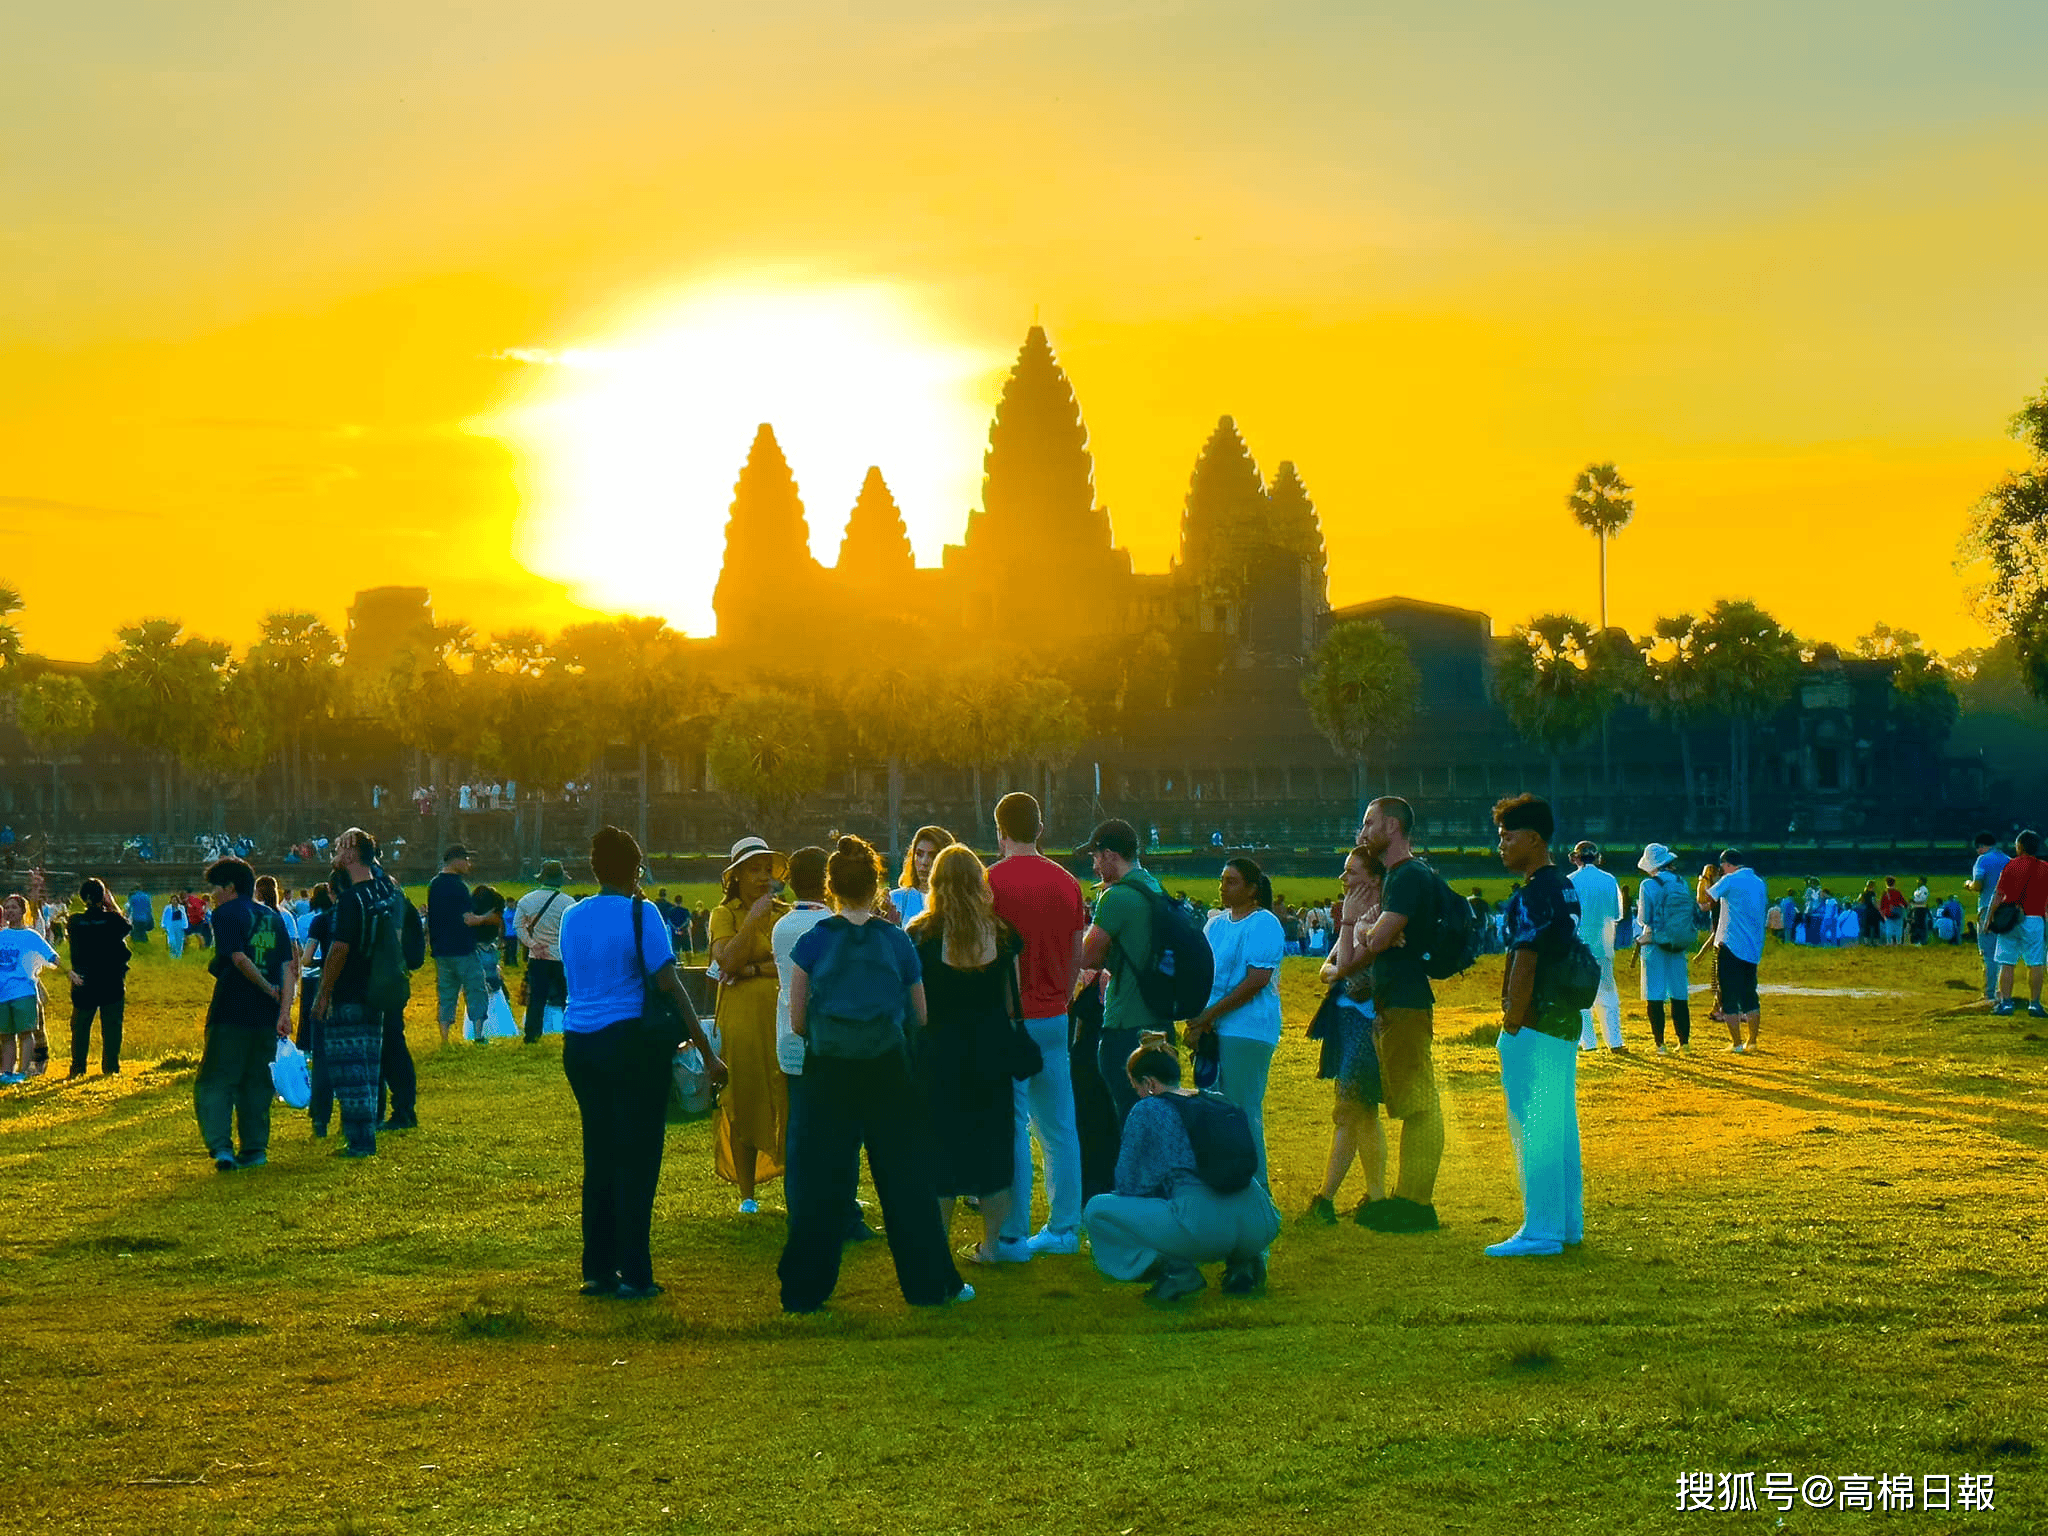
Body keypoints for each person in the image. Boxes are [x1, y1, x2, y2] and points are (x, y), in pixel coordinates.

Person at [779, 834, 972, 1313]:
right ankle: (929, 1284)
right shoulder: (896, 941)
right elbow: (920, 1014)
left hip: (829, 1072)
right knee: (905, 1180)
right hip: (887, 1070)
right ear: (876, 884)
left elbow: (799, 1020)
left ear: (831, 888)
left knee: (823, 1181)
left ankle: (805, 1288)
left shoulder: (813, 942)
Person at [558, 825, 726, 1301]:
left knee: (602, 1155)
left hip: (580, 1043)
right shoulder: (643, 912)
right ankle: (635, 1271)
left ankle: (597, 1267)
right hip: (629, 1042)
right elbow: (669, 985)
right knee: (639, 1158)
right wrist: (707, 1052)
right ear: (636, 870)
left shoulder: (573, 915)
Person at [1080, 1034, 1282, 1301]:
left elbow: (1129, 1183)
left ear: (1149, 1083)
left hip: (1204, 1226)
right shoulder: (1219, 1099)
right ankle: (1245, 1263)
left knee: (1097, 1210)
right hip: (1261, 1220)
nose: (1138, 1094)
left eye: (1136, 1087)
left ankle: (1177, 1272)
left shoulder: (1149, 1109)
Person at [909, 844, 1027, 1264]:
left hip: (939, 1053)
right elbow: (1012, 1004)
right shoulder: (1003, 933)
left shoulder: (920, 936)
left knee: (938, 1147)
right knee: (993, 1145)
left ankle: (937, 1246)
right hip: (990, 1051)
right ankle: (992, 1245)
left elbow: (916, 1006)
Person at [987, 792, 1089, 1257]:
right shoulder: (1068, 883)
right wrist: (1063, 996)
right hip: (1053, 1010)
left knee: (1011, 1126)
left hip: (1009, 1017)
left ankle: (1011, 1231)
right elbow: (1075, 954)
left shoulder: (991, 882)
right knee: (1058, 1126)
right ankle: (1065, 1227)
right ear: (1040, 829)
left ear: (1000, 830)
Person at [1340, 797, 1444, 1234]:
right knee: (1415, 1101)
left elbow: (1378, 940)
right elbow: (1363, 951)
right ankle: (1410, 1198)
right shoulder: (1404, 876)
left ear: (1394, 826)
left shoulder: (1405, 876)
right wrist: (1364, 927)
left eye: (1369, 822)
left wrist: (1366, 929)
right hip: (1396, 1003)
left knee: (1418, 1104)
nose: (1362, 831)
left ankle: (1415, 1203)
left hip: (1404, 1003)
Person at [1490, 794, 1585, 1258]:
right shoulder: (1565, 886)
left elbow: (1524, 960)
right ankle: (1566, 1224)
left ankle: (1541, 1230)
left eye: (1508, 837)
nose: (1501, 846)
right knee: (1561, 1126)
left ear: (1533, 838)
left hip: (1535, 1022)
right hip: (1564, 1020)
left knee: (1535, 1127)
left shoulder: (1532, 894)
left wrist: (1511, 1023)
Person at [771, 847, 874, 1245]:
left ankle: (802, 1208)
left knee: (800, 1130)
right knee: (844, 1133)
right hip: (833, 1042)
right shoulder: (832, 926)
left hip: (790, 1038)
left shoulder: (784, 926)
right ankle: (845, 1213)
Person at [1303, 846, 1387, 1223]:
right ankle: (1374, 1197)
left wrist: (1350, 926)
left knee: (1351, 1112)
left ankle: (1328, 1199)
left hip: (1365, 1025)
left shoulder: (1378, 919)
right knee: (1359, 1113)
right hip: (1347, 1024)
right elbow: (1328, 967)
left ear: (1372, 880)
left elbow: (1348, 965)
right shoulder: (1355, 918)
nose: (1343, 880)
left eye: (1351, 873)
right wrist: (1339, 969)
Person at [194, 857, 295, 1171]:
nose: (212, 895)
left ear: (230, 887)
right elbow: (289, 967)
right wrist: (284, 1010)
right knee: (257, 1083)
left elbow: (237, 957)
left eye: (215, 888)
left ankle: (222, 1148)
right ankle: (254, 1149)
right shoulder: (273, 917)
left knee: (217, 1080)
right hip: (267, 1016)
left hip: (231, 1009)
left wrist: (265, 987)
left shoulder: (226, 913)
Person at [1188, 857, 1284, 1185]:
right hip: (1215, 1027)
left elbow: (1256, 979)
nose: (1222, 887)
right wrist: (1198, 1021)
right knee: (1217, 1109)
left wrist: (1208, 1017)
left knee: (1242, 1111)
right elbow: (1202, 974)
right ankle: (1227, 1186)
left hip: (1248, 1029)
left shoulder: (1264, 923)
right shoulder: (1215, 924)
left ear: (1252, 889)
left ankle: (1258, 1192)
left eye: (1231, 881)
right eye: (1222, 880)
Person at [708, 835, 791, 1213]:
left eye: (766, 869)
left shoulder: (786, 913)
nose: (762, 877)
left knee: (786, 1095)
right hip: (741, 1016)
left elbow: (790, 963)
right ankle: (747, 1195)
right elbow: (726, 964)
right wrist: (753, 923)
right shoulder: (724, 915)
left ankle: (795, 1184)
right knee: (744, 1096)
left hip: (779, 1012)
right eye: (753, 869)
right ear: (736, 876)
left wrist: (755, 967)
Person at [309, 829, 404, 1157]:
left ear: (350, 854)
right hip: (378, 990)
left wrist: (323, 995)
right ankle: (367, 1132)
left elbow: (339, 951)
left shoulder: (351, 899)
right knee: (369, 1064)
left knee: (349, 1071)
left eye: (338, 847)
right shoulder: (385, 889)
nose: (334, 853)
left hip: (348, 993)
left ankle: (361, 1141)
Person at [1076, 818, 1175, 1128]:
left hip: (1125, 1022)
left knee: (1129, 1121)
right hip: (1159, 1018)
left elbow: (1086, 956)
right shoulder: (1154, 887)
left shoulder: (1115, 897)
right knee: (1159, 1117)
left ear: (1109, 855)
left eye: (1095, 856)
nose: (1094, 865)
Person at [1698, 850, 1768, 1052]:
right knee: (1750, 995)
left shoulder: (1731, 880)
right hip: (1752, 946)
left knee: (1729, 996)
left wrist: (1704, 878)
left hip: (1730, 944)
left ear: (1726, 864)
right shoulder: (1758, 882)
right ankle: (1752, 1041)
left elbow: (1704, 901)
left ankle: (1737, 1043)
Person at [64, 878, 131, 1078]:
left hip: (84, 979)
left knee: (81, 1027)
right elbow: (126, 927)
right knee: (112, 1026)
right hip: (111, 980)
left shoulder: (75, 921)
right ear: (103, 897)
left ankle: (77, 1068)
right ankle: (111, 1067)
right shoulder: (112, 921)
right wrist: (112, 905)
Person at [427, 844, 493, 1046]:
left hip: (441, 950)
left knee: (447, 994)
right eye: (466, 859)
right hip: (463, 949)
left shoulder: (434, 884)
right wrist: (486, 918)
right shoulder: (459, 887)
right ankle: (479, 1035)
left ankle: (445, 1038)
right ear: (455, 860)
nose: (468, 864)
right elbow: (468, 920)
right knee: (476, 990)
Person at [1632, 844, 1693, 1054]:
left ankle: (1660, 1044)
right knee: (1679, 993)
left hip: (1655, 942)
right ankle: (1683, 1042)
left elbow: (1644, 918)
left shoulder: (1648, 884)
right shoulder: (1681, 882)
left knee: (1654, 993)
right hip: (1678, 942)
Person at [1567, 842, 1625, 1053]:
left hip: (1579, 946)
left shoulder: (1570, 881)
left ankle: (1588, 1043)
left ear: (1576, 858)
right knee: (1608, 995)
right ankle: (1615, 1042)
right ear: (1597, 857)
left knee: (1581, 997)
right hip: (1604, 943)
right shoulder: (1609, 879)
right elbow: (1618, 913)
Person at [0, 895, 58, 1085]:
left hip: (23, 992)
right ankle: (7, 1071)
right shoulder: (1, 935)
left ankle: (23, 1071)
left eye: (13, 908)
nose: (9, 911)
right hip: (2, 993)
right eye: (6, 908)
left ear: (23, 911)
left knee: (26, 1032)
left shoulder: (31, 935)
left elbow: (51, 956)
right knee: (6, 1035)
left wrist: (69, 972)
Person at [1989, 830, 2048, 1017]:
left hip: (2011, 919)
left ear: (2020, 846)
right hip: (2034, 918)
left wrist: (1989, 918)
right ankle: (2035, 1004)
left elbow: (1998, 895)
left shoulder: (2011, 865)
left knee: (2006, 962)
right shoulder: (2045, 868)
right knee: (2035, 963)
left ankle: (2006, 1003)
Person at [513, 860, 572, 1044]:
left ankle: (532, 1035)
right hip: (560, 957)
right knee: (566, 999)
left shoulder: (527, 900)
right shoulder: (568, 903)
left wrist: (532, 944)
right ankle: (570, 1033)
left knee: (537, 998)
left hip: (537, 957)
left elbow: (518, 926)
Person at [1967, 831, 2011, 1001]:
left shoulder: (1983, 860)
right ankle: (2003, 993)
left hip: (1987, 909)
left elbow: (1978, 885)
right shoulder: (2008, 860)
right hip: (2007, 911)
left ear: (1981, 846)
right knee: (2004, 954)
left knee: (1988, 954)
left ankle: (1989, 994)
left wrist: (1969, 885)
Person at [889, 825, 953, 927]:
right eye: (919, 854)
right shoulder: (896, 899)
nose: (924, 862)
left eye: (933, 856)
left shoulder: (956, 903)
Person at [1879, 877, 1907, 946]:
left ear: (1886, 883)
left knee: (1889, 930)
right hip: (1898, 913)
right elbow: (1904, 903)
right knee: (1898, 930)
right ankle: (1899, 943)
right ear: (1894, 883)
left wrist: (1883, 914)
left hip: (1888, 913)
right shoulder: (1897, 892)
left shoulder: (1885, 893)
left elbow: (1882, 906)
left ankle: (1889, 943)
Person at [1910, 877, 1932, 945]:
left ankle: (1922, 940)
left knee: (1921, 925)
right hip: (1916, 908)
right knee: (1917, 924)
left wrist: (1914, 900)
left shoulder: (1924, 889)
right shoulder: (1918, 889)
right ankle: (1917, 940)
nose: (1917, 882)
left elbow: (1922, 898)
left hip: (1921, 909)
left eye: (1919, 880)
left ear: (1922, 881)